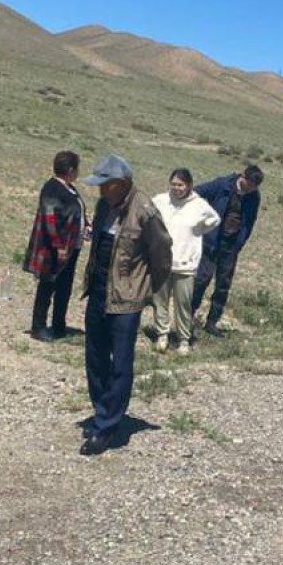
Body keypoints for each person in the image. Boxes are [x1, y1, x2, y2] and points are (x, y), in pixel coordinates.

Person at [79, 154, 172, 456]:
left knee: (120, 363)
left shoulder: (145, 210)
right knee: (95, 357)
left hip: (127, 299)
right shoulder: (103, 206)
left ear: (121, 183)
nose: (100, 190)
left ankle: (107, 426)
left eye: (104, 184)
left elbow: (162, 254)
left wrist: (146, 290)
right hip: (98, 292)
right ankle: (101, 411)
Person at [152, 168, 219, 355]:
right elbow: (147, 214)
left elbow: (214, 220)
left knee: (183, 304)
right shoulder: (160, 201)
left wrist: (197, 232)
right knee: (160, 301)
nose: (176, 188)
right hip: (162, 261)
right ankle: (162, 335)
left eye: (180, 185)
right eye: (173, 184)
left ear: (189, 185)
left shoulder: (199, 205)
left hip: (185, 263)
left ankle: (183, 339)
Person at [191, 165, 264, 335]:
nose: (251, 189)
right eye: (250, 185)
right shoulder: (222, 184)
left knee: (223, 284)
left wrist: (239, 243)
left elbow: (249, 222)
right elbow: (196, 193)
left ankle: (211, 322)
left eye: (255, 187)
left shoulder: (254, 196)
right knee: (201, 280)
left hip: (231, 246)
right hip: (211, 241)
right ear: (243, 177)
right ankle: (188, 315)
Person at [24, 150, 84, 342]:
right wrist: (58, 246)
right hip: (53, 250)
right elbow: (50, 220)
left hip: (71, 247)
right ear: (71, 170)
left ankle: (59, 325)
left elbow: (76, 213)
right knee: (47, 286)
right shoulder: (52, 189)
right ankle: (38, 327)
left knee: (64, 288)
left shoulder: (69, 189)